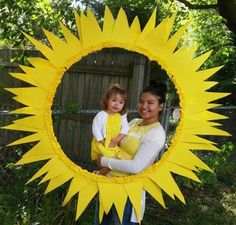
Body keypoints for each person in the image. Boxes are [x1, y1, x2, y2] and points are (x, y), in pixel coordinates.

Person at [95, 80, 167, 225]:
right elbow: (115, 145)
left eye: (150, 103)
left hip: (127, 191)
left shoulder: (156, 133)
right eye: (141, 101)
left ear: (161, 107)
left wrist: (103, 161)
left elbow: (136, 167)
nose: (144, 106)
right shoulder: (133, 122)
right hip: (107, 183)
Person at [91, 84, 129, 175]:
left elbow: (125, 128)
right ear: (107, 101)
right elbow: (96, 127)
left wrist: (117, 139)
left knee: (116, 160)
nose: (117, 104)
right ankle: (100, 174)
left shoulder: (122, 117)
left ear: (123, 105)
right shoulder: (101, 115)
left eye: (121, 102)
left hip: (113, 142)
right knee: (111, 160)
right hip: (102, 142)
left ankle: (99, 174)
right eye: (114, 100)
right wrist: (101, 140)